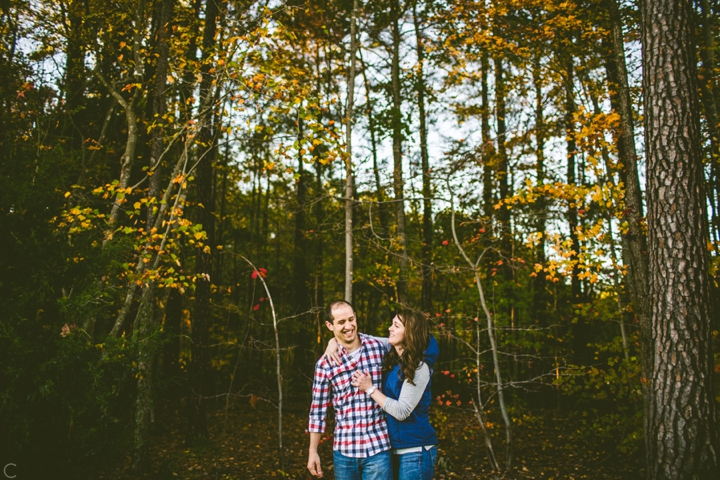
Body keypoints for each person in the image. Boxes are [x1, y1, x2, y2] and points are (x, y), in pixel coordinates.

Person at [307, 300, 392, 479]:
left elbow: (410, 342)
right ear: (330, 325)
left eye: (351, 319)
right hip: (344, 452)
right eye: (341, 322)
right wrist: (313, 451)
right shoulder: (325, 364)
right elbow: (317, 411)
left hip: (378, 449)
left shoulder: (378, 347)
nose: (348, 326)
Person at [350, 309, 439, 480]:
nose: (390, 328)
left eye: (396, 326)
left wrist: (370, 389)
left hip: (416, 452)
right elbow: (364, 339)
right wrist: (334, 340)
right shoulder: (395, 355)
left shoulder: (420, 367)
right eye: (392, 324)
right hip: (395, 449)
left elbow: (402, 411)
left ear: (410, 333)